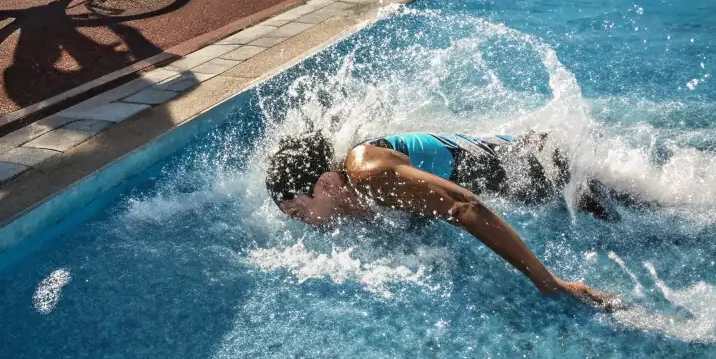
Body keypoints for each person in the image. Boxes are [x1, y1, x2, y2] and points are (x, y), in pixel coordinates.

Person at [265, 130, 628, 309]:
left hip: (546, 170)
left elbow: (466, 207)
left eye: (300, 212)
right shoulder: (353, 186)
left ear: (326, 184)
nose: (304, 224)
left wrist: (550, 283)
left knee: (651, 222)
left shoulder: (368, 174)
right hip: (529, 168)